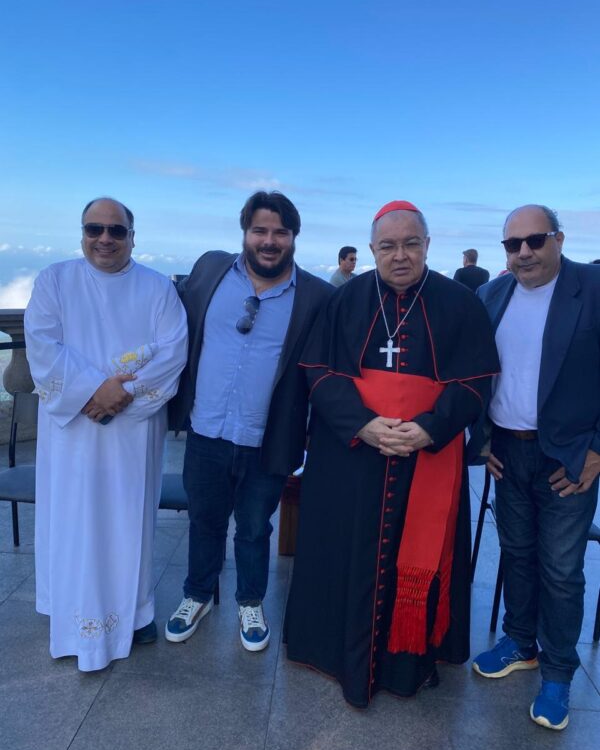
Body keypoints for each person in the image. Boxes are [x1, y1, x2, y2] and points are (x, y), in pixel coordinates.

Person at [285, 200, 499, 707]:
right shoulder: (344, 300)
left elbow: (475, 380)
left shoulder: (460, 302)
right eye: (388, 246)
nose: (399, 255)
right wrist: (363, 424)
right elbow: (319, 371)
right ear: (372, 249)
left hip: (426, 454)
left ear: (427, 245)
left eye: (410, 244)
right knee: (344, 550)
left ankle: (408, 665)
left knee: (416, 553)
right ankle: (338, 654)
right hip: (352, 454)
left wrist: (429, 428)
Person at [24, 197, 188, 671]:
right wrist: (97, 389)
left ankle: (135, 614)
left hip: (132, 434)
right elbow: (42, 344)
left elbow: (173, 351)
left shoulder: (158, 289)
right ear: (82, 233)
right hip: (74, 431)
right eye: (95, 229)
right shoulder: (55, 280)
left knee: (127, 520)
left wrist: (117, 397)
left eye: (117, 231)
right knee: (73, 520)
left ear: (133, 237)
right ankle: (71, 614)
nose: (105, 239)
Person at [166, 191, 333, 651]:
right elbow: (166, 323)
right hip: (206, 430)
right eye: (260, 230)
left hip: (268, 439)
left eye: (281, 231)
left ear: (294, 237)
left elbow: (328, 368)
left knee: (256, 527)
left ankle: (250, 602)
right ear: (245, 232)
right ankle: (197, 595)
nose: (270, 240)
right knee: (204, 520)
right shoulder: (210, 272)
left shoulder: (317, 295)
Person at [470, 205, 600, 730]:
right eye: (512, 244)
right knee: (517, 554)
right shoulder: (493, 295)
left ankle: (559, 671)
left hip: (568, 457)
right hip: (508, 449)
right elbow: (476, 372)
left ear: (558, 239)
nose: (523, 251)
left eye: (534, 240)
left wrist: (598, 450)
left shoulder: (591, 288)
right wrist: (480, 438)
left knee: (562, 571)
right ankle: (520, 640)